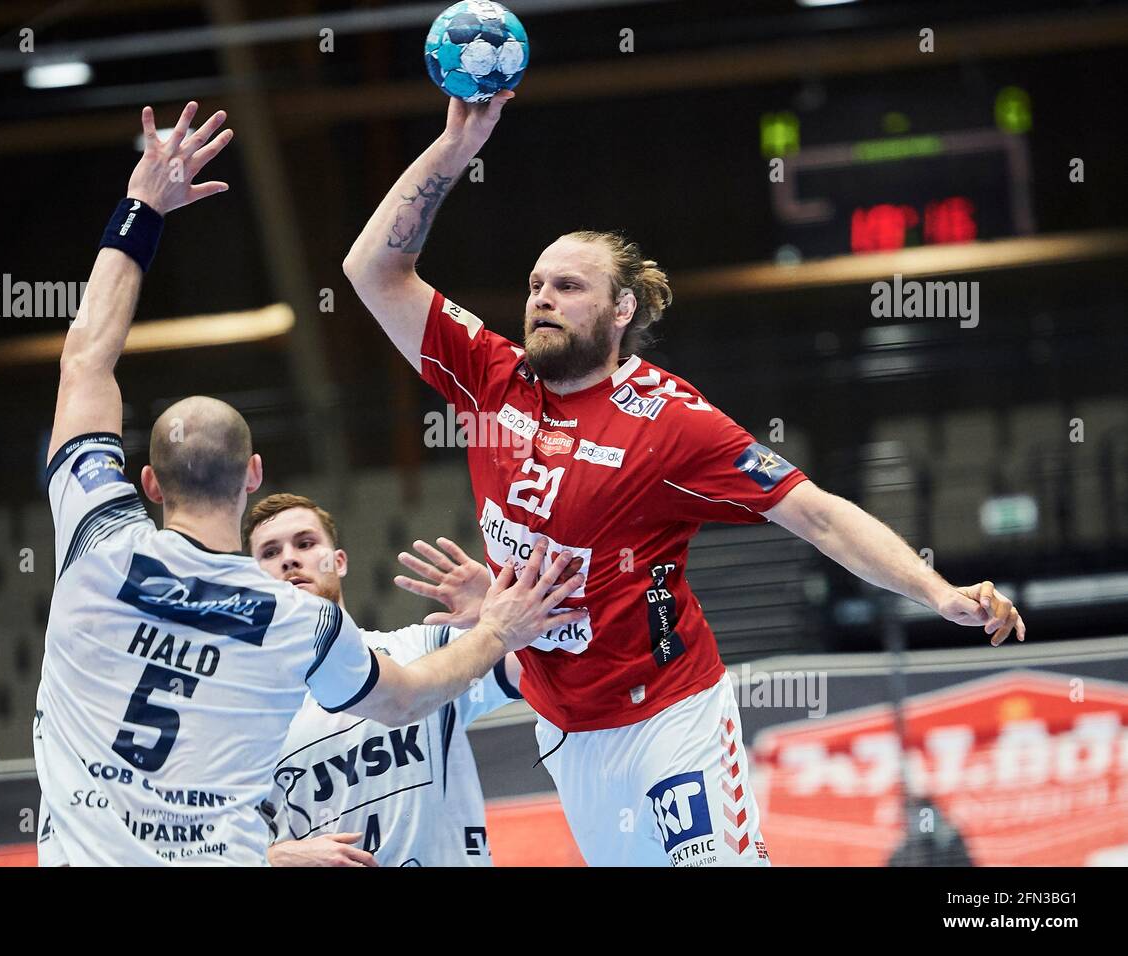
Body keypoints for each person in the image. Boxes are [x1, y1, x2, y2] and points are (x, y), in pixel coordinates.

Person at [340, 91, 1027, 867]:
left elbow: (819, 516)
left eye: (569, 286)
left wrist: (937, 593)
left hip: (672, 716)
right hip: (566, 730)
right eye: (536, 285)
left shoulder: (669, 421)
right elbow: (372, 269)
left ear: (621, 308)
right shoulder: (490, 378)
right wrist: (454, 150)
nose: (542, 298)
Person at [34, 101, 585, 866]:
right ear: (252, 474)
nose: (293, 558)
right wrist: (497, 629)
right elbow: (401, 698)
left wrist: (141, 209)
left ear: (149, 483)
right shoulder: (296, 623)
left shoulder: (97, 539)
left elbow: (86, 360)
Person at [244, 495, 526, 867]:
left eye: (306, 543)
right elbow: (191, 850)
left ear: (339, 561)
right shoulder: (238, 714)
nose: (289, 558)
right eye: (269, 552)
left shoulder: (424, 649)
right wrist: (272, 858)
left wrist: (497, 610)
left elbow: (538, 670)